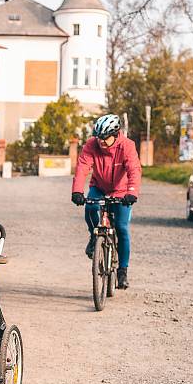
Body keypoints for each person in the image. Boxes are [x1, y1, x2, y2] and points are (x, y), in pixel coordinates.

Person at [71, 114, 141, 289]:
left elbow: (134, 170)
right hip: (99, 187)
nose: (101, 141)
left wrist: (131, 192)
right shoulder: (91, 145)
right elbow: (82, 168)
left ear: (115, 134)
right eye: (98, 137)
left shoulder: (127, 146)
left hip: (122, 191)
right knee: (90, 207)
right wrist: (77, 191)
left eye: (105, 138)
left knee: (122, 228)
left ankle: (122, 271)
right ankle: (95, 237)